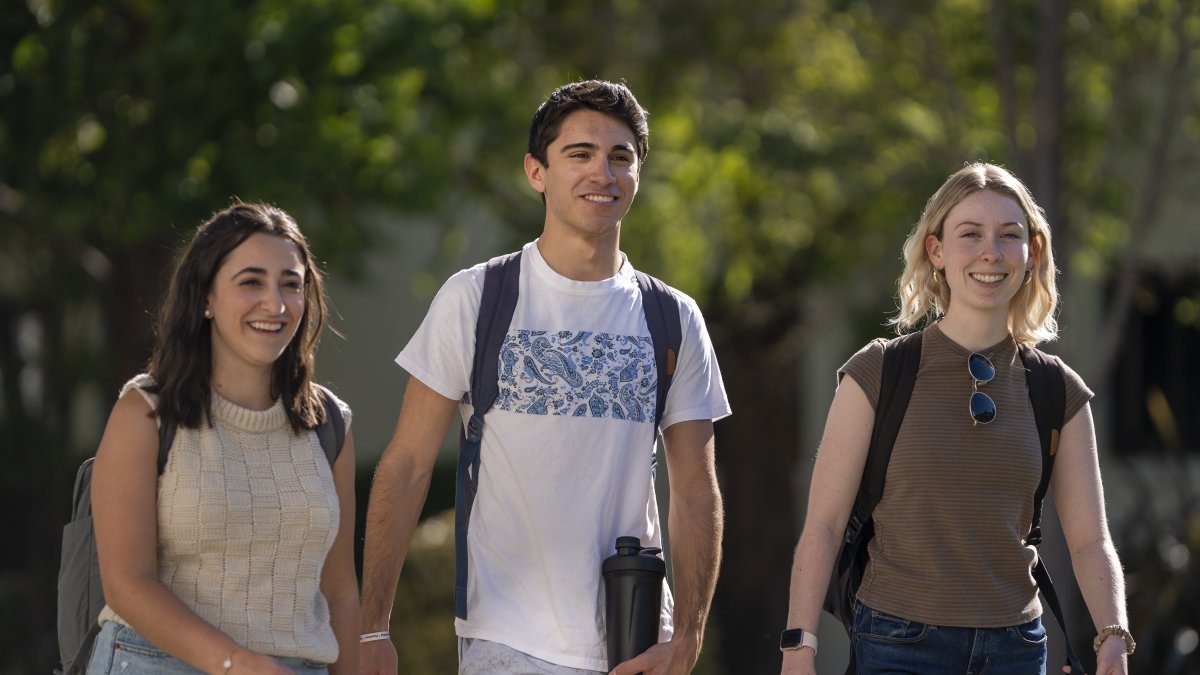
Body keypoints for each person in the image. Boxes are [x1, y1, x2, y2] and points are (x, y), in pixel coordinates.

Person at [358, 79, 731, 675]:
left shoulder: (674, 317)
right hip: (506, 641)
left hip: (635, 644)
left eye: (620, 158)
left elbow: (694, 488)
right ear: (537, 172)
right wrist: (372, 626)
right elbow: (405, 466)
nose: (601, 174)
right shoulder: (478, 298)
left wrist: (687, 636)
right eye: (578, 155)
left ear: (638, 174)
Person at [780, 163, 1132, 675]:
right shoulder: (878, 372)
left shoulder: (1056, 389)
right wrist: (798, 646)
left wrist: (1113, 637)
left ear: (1030, 255)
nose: (991, 251)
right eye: (970, 234)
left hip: (1016, 649)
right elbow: (825, 525)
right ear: (936, 251)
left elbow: (1090, 540)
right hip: (898, 644)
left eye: (1009, 236)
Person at [87, 202, 360, 675]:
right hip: (154, 663)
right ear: (206, 297)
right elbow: (127, 583)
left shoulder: (329, 422)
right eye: (251, 281)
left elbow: (339, 593)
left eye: (291, 285)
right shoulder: (146, 411)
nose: (275, 305)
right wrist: (236, 663)